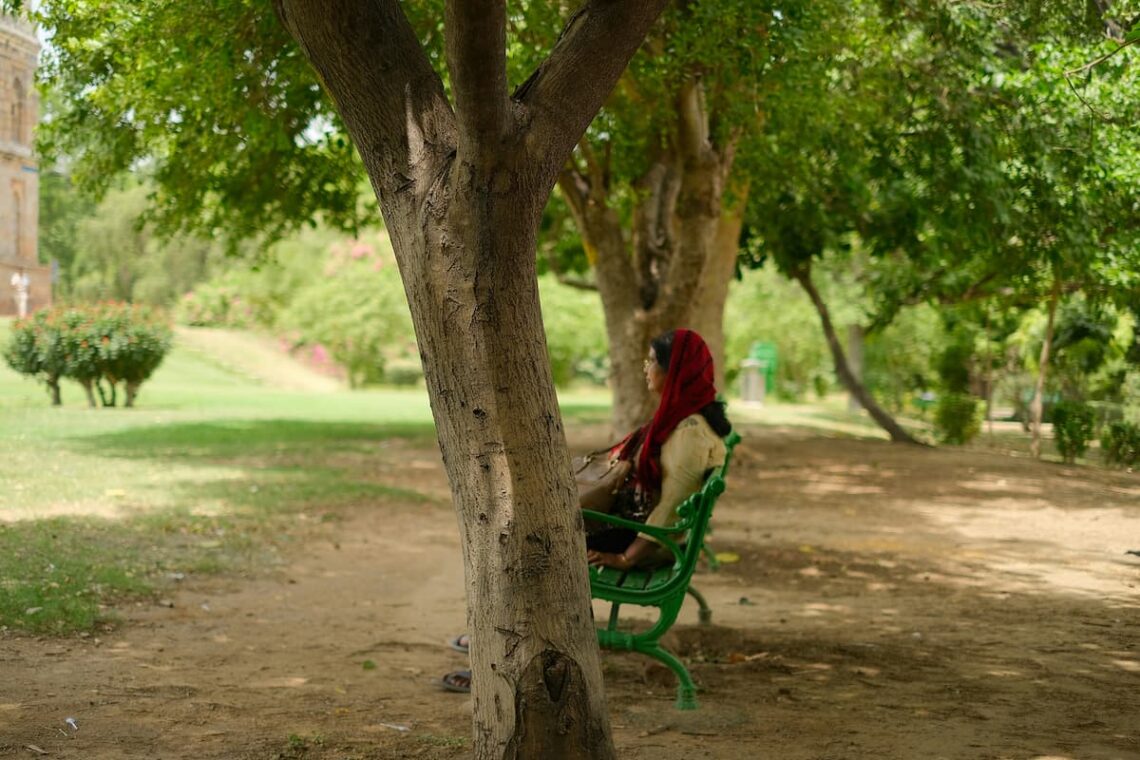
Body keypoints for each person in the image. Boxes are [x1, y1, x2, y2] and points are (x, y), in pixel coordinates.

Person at [441, 328, 732, 693]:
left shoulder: (690, 432)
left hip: (650, 544)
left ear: (674, 372)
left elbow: (671, 509)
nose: (645, 367)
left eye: (652, 361)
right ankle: (501, 647)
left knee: (534, 545)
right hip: (643, 532)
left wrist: (625, 558)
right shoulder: (683, 418)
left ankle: (502, 661)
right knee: (532, 532)